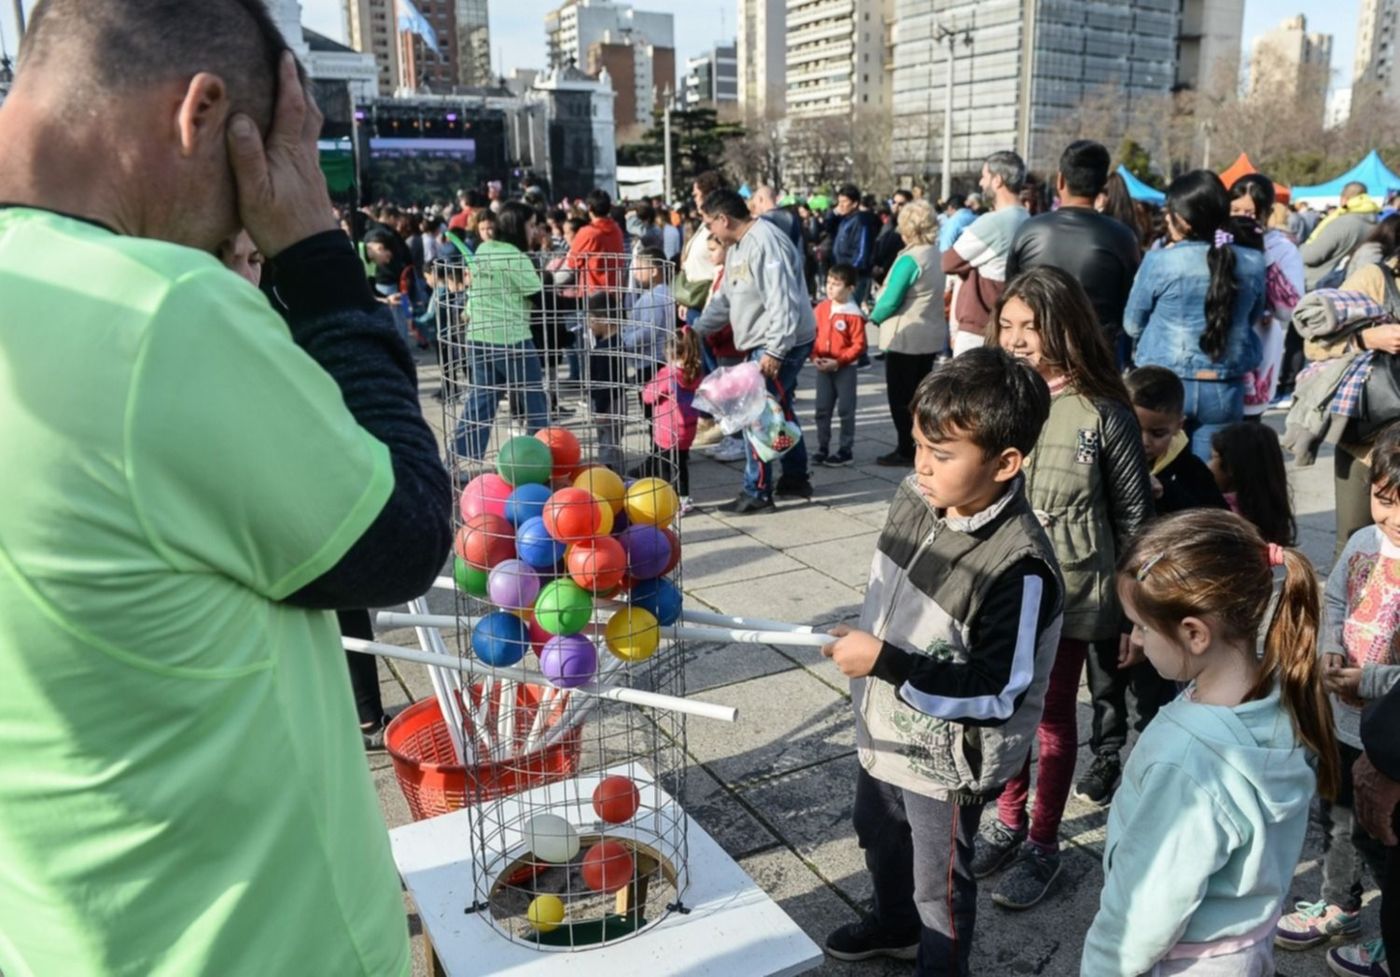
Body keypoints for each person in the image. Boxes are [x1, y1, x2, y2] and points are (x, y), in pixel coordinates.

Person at [0, 5, 453, 974]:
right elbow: (402, 535)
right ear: (202, 115)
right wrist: (314, 254)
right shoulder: (155, 308)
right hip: (261, 940)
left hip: (60, 932)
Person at [820, 347, 1063, 976]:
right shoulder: (914, 494)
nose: (922, 466)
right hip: (886, 729)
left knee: (939, 885)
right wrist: (872, 638)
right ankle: (893, 926)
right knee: (877, 834)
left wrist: (886, 662)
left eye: (943, 454)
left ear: (1006, 463)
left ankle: (938, 964)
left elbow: (995, 692)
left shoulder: (1020, 567)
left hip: (948, 759)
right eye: (919, 444)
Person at [1081, 509, 1339, 977]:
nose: (1136, 639)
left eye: (1141, 625)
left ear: (1194, 633)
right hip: (1242, 951)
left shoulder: (1188, 760)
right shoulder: (1279, 696)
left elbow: (1144, 912)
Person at [976, 267, 1154, 905]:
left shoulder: (1105, 412)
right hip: (1002, 588)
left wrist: (1139, 613)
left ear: (1066, 327)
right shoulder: (998, 399)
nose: (1018, 339)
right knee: (1006, 710)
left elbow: (1135, 518)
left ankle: (1041, 843)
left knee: (1049, 717)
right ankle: (1007, 816)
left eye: (1033, 326)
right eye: (1009, 324)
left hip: (1076, 593)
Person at [1276, 423, 1400, 972]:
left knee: (1388, 836)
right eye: (1383, 500)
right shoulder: (1361, 543)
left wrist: (1369, 683)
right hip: (1344, 721)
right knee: (1339, 814)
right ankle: (1339, 904)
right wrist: (1329, 649)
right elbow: (1336, 600)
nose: (1392, 518)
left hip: (1392, 736)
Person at [1123, 170, 1267, 461]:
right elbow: (1251, 317)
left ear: (1184, 220)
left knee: (1154, 475)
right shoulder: (1253, 261)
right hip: (1224, 387)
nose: (1165, 219)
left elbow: (1132, 323)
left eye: (1169, 212)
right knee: (1208, 480)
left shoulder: (1160, 261)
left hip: (1162, 386)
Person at [694, 188, 817, 513]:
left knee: (753, 415)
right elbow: (725, 299)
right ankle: (794, 476)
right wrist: (696, 331)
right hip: (765, 340)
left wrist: (775, 351)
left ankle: (757, 491)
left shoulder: (765, 242)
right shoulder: (737, 247)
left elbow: (783, 299)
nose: (709, 232)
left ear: (724, 219)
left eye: (709, 224)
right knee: (780, 410)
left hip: (779, 341)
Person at [1007, 140, 1141, 354]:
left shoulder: (1030, 230)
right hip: (1095, 354)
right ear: (1102, 184)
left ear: (1060, 179)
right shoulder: (1122, 237)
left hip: (1035, 349)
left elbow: (1010, 291)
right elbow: (1129, 301)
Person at [451, 200, 550, 470]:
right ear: (518, 227)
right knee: (534, 401)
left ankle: (459, 459)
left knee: (482, 398)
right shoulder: (517, 258)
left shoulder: (483, 249)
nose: (535, 231)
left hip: (478, 335)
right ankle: (541, 458)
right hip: (512, 339)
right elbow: (536, 293)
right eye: (531, 226)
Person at [869, 199, 947, 466]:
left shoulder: (910, 259)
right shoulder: (936, 253)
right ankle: (922, 443)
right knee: (920, 394)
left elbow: (890, 300)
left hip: (905, 337)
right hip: (930, 335)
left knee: (900, 397)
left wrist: (873, 318)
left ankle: (905, 447)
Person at [1228, 174, 1305, 414]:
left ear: (1265, 213)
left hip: (1257, 356)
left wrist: (1262, 255)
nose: (1242, 217)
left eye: (1250, 212)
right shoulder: (1216, 241)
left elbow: (1289, 309)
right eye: (1235, 209)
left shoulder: (1281, 249)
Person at [943, 151, 1031, 355]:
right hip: (1007, 324)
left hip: (979, 327)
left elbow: (948, 261)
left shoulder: (994, 222)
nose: (981, 183)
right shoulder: (1027, 218)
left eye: (984, 176)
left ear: (997, 180)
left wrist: (970, 264)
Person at [1127, 367, 1228, 514]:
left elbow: (1219, 520)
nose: (1144, 442)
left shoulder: (1191, 470)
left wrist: (1166, 492)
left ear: (1178, 426)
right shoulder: (1102, 458)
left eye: (1158, 433)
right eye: (1133, 429)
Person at [810, 263, 868, 467]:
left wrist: (839, 361)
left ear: (850, 288)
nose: (830, 288)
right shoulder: (822, 308)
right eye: (828, 283)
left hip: (844, 368)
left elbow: (859, 344)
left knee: (846, 409)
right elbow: (812, 334)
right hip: (823, 367)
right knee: (822, 409)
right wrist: (814, 356)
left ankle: (845, 449)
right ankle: (822, 446)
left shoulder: (853, 313)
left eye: (836, 284)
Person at [641, 329, 704, 513]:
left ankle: (671, 500)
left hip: (667, 431)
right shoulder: (695, 373)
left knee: (666, 468)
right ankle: (684, 498)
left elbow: (648, 396)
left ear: (670, 354)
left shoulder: (668, 374)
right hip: (687, 430)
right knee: (682, 465)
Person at [1208, 422, 1296, 547]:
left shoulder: (1221, 514)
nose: (1208, 465)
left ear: (1231, 468)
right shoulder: (1266, 507)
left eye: (1213, 457)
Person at [1303, 181, 1381, 289]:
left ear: (1344, 198)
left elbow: (1311, 256)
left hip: (1321, 285)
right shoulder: (1376, 223)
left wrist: (1301, 249)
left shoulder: (1344, 222)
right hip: (1353, 284)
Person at [564, 188, 626, 297]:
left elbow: (572, 262)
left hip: (593, 295)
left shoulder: (588, 232)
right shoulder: (617, 230)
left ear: (589, 208)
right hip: (615, 293)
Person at [831, 183, 880, 307]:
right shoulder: (844, 220)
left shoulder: (861, 221)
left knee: (850, 310)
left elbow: (863, 251)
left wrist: (850, 273)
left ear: (855, 203)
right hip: (841, 272)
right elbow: (827, 226)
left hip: (854, 276)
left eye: (844, 202)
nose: (840, 205)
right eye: (839, 201)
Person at [872, 188, 914, 286]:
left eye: (901, 204)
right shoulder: (889, 223)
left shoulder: (910, 227)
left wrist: (884, 267)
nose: (896, 207)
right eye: (894, 202)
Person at [751, 183, 804, 250]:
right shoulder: (792, 217)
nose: (755, 208)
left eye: (755, 204)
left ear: (760, 199)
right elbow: (799, 245)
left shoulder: (761, 221)